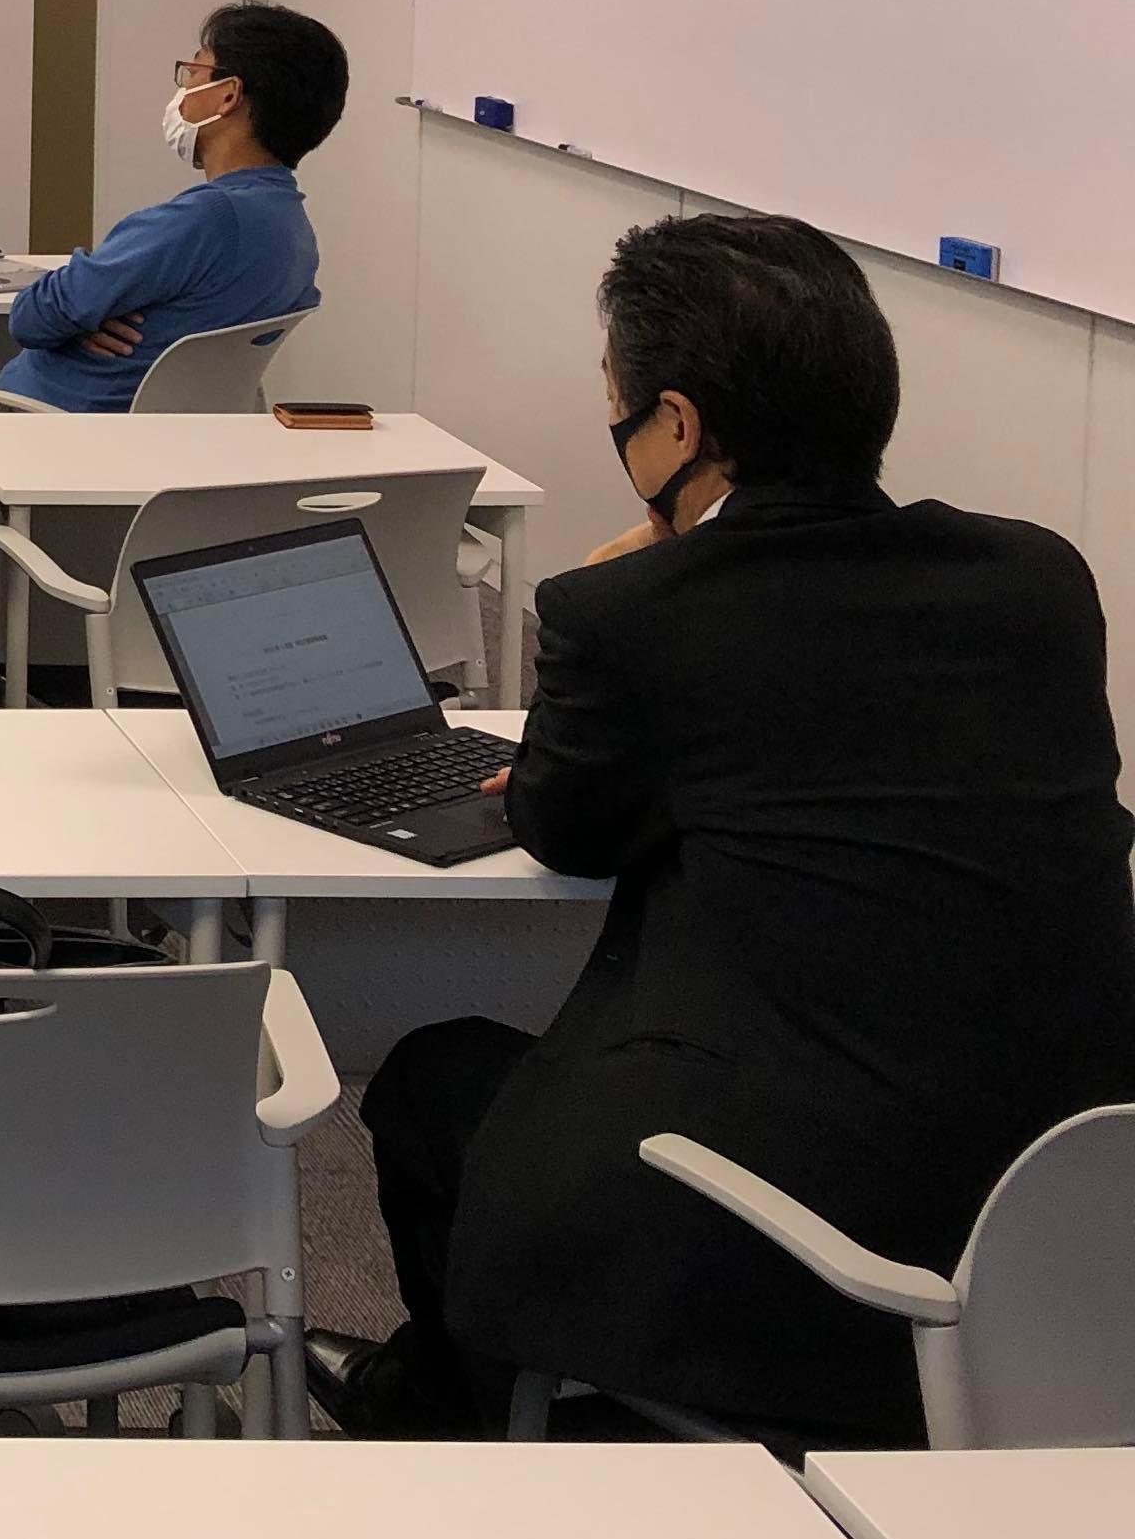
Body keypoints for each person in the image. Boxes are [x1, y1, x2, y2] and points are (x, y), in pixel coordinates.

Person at [323, 214, 1135, 1446]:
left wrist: (633, 590)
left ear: (678, 425)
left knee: (435, 1082)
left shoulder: (629, 612)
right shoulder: (1038, 580)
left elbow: (566, 826)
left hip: (810, 1210)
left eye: (616, 399)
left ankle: (465, 1424)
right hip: (1066, 1196)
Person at [0, 0, 344, 413]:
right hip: (167, 430)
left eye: (194, 71)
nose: (183, 88)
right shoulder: (293, 227)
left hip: (49, 417)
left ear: (228, 95)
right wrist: (86, 315)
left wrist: (83, 316)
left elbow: (30, 319)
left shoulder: (200, 220)